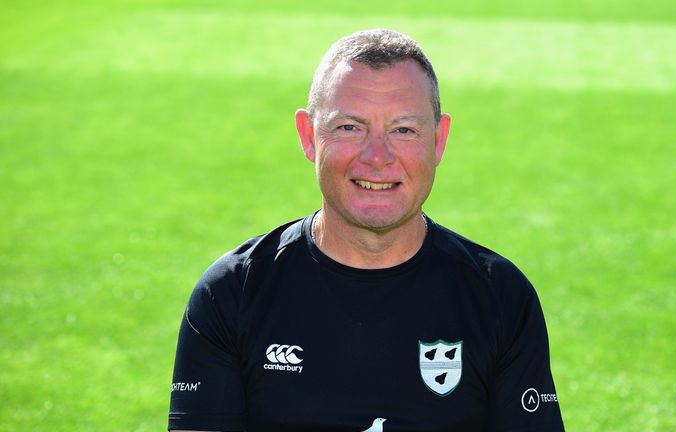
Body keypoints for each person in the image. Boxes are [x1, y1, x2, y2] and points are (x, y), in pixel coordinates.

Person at [168, 28, 565, 432]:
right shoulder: (233, 292)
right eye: (349, 127)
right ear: (308, 136)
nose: (377, 157)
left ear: (438, 140)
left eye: (403, 130)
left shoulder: (500, 297)